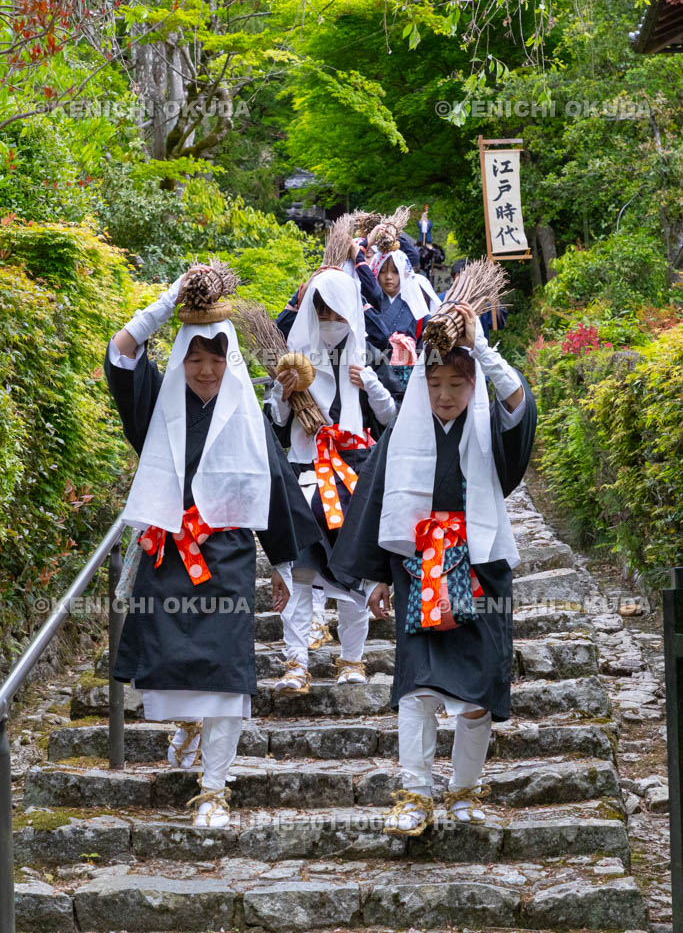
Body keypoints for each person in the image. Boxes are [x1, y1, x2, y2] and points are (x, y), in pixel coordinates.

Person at [105, 269, 320, 828]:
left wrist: (282, 562)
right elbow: (121, 354)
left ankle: (215, 789)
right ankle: (187, 724)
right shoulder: (157, 401)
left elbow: (272, 484)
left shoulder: (245, 415)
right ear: (183, 359)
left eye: (216, 360)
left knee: (227, 673)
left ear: (229, 362)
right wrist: (166, 303)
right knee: (174, 665)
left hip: (226, 556)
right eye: (196, 359)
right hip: (168, 553)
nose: (205, 370)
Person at [329, 303, 536, 836]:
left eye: (457, 383)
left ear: (473, 384)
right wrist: (378, 575)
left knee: (479, 691)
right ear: (420, 383)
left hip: (482, 564)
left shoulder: (490, 431)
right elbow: (382, 503)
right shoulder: (403, 438)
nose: (445, 394)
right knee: (417, 685)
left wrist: (481, 347)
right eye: (434, 382)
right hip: (418, 565)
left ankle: (465, 789)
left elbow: (516, 402)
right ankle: (414, 794)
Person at [266, 268, 397, 692]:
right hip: (305, 475)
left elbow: (394, 418)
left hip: (353, 473)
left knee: (355, 567)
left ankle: (353, 659)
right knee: (298, 570)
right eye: (321, 312)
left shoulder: (366, 357)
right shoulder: (294, 359)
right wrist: (283, 394)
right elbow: (277, 423)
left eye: (337, 313)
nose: (330, 321)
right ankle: (295, 662)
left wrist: (372, 385)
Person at [372, 247, 432, 399]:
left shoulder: (415, 304)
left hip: (408, 375)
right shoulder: (369, 304)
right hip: (375, 373)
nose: (388, 277)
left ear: (404, 273)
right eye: (383, 271)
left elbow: (424, 342)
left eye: (395, 271)